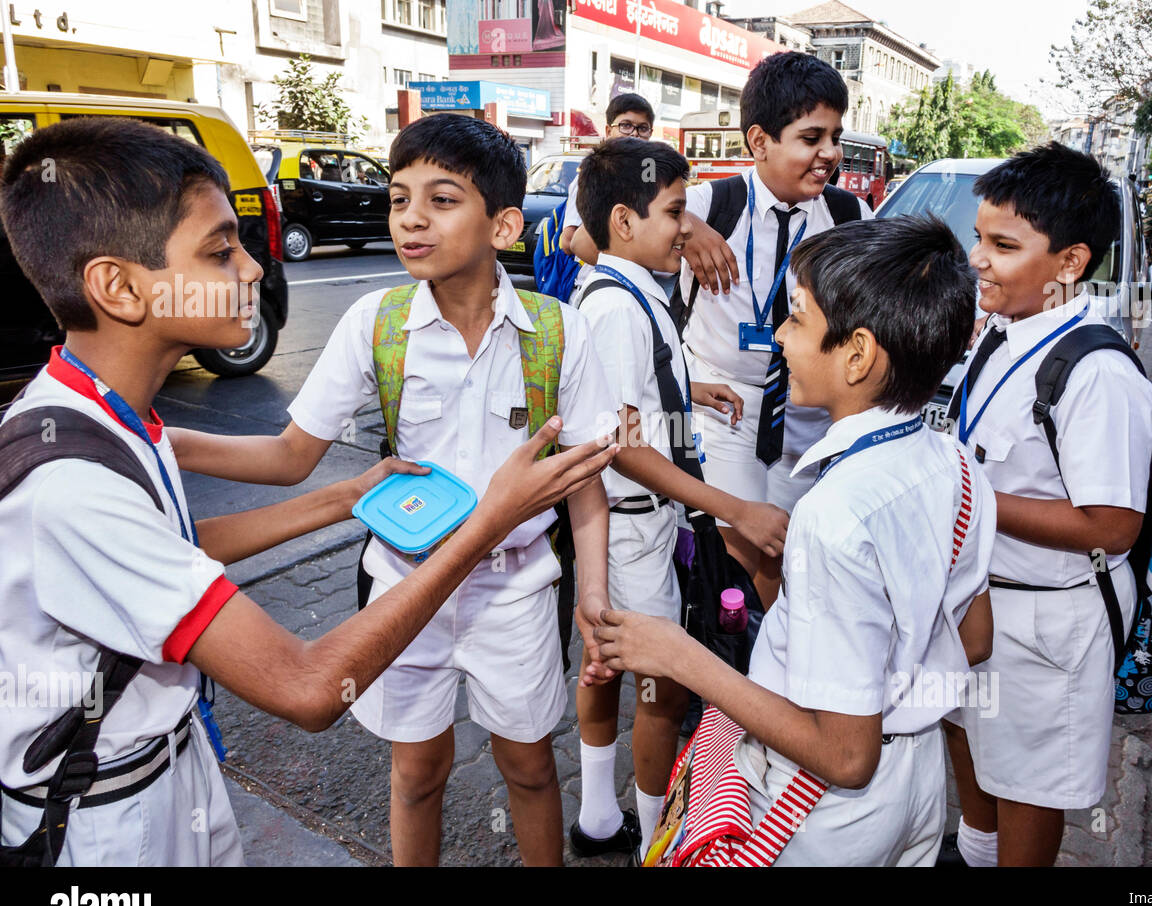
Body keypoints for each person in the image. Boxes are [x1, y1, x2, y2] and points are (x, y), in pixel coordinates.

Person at [0, 117, 616, 866]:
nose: (255, 270)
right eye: (222, 251)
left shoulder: (104, 430)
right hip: (110, 811)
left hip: (503, 596)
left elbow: (183, 547)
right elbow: (306, 684)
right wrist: (488, 518)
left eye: (441, 199)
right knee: (416, 769)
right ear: (119, 287)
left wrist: (162, 441)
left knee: (529, 763)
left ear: (504, 225)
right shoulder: (74, 474)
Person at [589, 215, 997, 867]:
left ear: (858, 354)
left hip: (826, 814)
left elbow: (845, 755)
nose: (779, 336)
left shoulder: (833, 516)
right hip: (919, 785)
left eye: (798, 319)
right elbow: (973, 641)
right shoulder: (958, 466)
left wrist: (679, 655)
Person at [940, 142, 1152, 867]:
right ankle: (975, 851)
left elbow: (1112, 526)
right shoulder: (1005, 332)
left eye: (1003, 245)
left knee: (1028, 781)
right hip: (980, 600)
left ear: (1069, 263)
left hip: (1045, 622)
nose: (978, 258)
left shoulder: (1096, 371)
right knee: (969, 735)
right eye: (978, 237)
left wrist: (967, 498)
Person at [566, 137, 789, 862]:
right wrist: (734, 506)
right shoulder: (616, 307)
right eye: (674, 212)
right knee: (660, 686)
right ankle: (657, 835)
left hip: (639, 523)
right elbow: (621, 442)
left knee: (610, 664)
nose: (685, 228)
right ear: (624, 221)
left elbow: (627, 393)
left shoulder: (632, 292)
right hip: (632, 526)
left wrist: (690, 390)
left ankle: (604, 816)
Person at [673, 51, 873, 608]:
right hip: (723, 407)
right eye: (811, 139)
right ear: (759, 142)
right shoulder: (712, 202)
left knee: (787, 548)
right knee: (737, 545)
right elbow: (597, 232)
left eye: (835, 137)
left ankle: (765, 667)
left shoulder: (849, 216)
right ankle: (726, 668)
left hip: (807, 416)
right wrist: (685, 226)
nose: (829, 154)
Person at [560, 92, 657, 298]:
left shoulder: (651, 177)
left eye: (642, 128)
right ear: (608, 130)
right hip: (598, 287)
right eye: (626, 125)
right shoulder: (592, 175)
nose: (634, 134)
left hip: (639, 287)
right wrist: (626, 266)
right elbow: (568, 241)